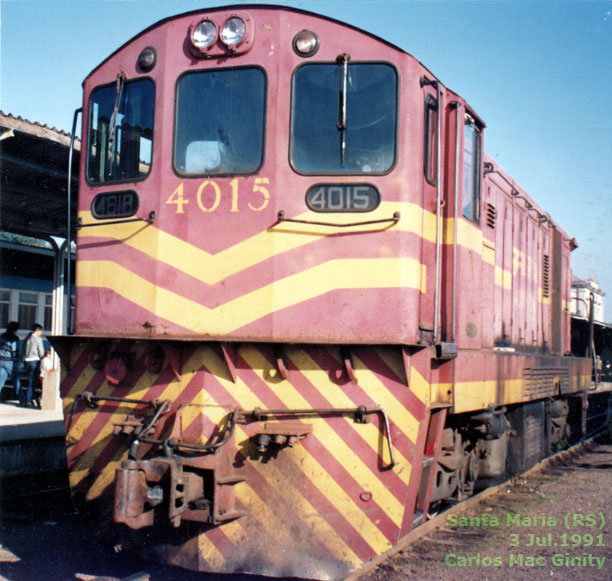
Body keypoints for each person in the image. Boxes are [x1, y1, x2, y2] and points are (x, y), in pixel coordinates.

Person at [22, 323, 44, 408]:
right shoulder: (38, 339)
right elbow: (41, 352)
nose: (41, 333)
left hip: (27, 361)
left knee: (29, 381)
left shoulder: (26, 338)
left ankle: (28, 399)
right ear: (37, 330)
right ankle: (29, 400)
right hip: (34, 361)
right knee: (33, 382)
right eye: (41, 331)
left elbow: (23, 351)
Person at [0, 321, 21, 400]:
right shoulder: (14, 338)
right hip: (10, 362)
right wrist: (17, 360)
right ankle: (22, 399)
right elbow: (15, 351)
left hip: (1, 360)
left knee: (0, 381)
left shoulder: (2, 336)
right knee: (16, 381)